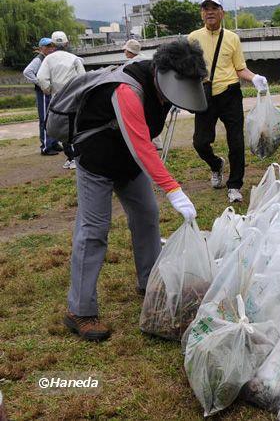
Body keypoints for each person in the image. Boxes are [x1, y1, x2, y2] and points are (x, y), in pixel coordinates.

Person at [63, 39, 207, 342]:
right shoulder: (127, 90)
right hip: (97, 161)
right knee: (94, 230)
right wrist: (173, 189)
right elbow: (142, 145)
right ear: (162, 72)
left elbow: (139, 147)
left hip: (128, 163)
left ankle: (150, 284)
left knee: (146, 216)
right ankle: (80, 310)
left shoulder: (161, 91)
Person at [188, 0, 268, 203]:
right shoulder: (193, 38)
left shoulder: (232, 37)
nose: (210, 12)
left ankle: (234, 186)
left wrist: (255, 78)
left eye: (214, 8)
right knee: (200, 142)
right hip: (205, 95)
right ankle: (216, 165)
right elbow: (186, 69)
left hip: (230, 93)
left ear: (221, 12)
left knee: (236, 142)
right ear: (201, 13)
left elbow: (240, 68)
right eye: (206, 8)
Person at [37, 31, 86, 169]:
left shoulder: (48, 59)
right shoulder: (74, 58)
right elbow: (83, 77)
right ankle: (78, 156)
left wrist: (48, 90)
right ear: (66, 43)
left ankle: (71, 157)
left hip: (58, 98)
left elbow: (41, 78)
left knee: (64, 127)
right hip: (75, 97)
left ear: (53, 44)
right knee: (77, 126)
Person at [23, 37, 60, 155]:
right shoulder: (39, 59)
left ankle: (53, 142)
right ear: (41, 48)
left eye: (52, 46)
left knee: (52, 117)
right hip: (43, 92)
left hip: (49, 91)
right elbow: (27, 72)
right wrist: (40, 83)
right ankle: (46, 147)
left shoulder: (48, 58)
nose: (51, 48)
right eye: (48, 46)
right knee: (45, 118)